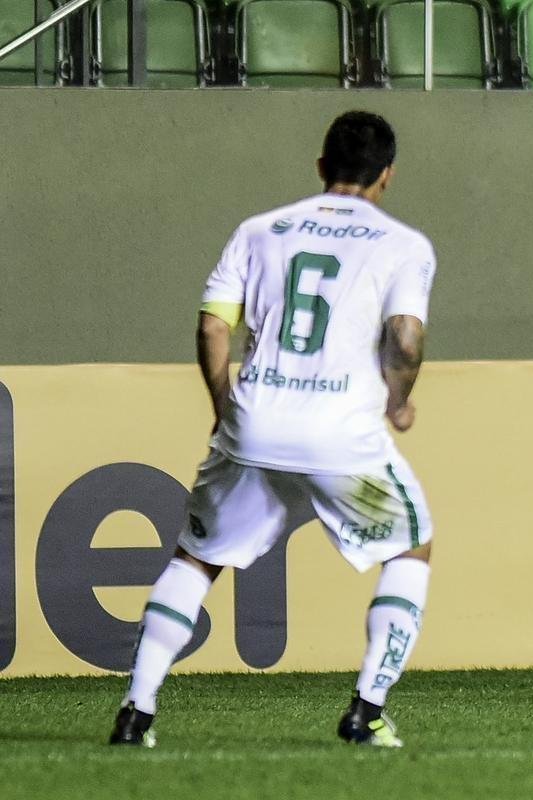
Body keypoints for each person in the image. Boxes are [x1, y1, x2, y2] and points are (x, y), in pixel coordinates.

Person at [109, 111, 436, 747]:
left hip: (255, 423)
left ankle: (136, 712)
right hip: (341, 435)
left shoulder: (260, 231)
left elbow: (212, 326)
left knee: (196, 558)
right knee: (409, 547)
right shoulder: (404, 244)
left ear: (321, 167)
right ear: (387, 176)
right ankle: (366, 710)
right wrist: (399, 401)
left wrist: (220, 401)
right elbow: (405, 337)